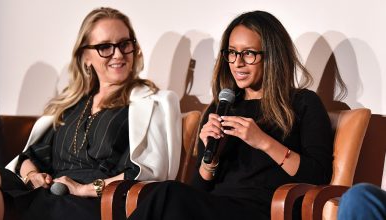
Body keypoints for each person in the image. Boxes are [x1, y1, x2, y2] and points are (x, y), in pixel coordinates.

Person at [126, 10, 333, 220]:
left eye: (249, 53)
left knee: (167, 194)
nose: (237, 63)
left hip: (266, 211)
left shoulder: (303, 103)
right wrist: (211, 158)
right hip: (216, 207)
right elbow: (198, 188)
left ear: (272, 56)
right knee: (167, 198)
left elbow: (317, 176)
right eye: (232, 52)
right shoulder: (223, 105)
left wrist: (263, 141)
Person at [0, 7, 181, 220]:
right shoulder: (72, 106)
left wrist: (83, 189)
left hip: (95, 202)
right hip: (49, 193)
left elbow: (146, 172)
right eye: (105, 47)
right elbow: (31, 156)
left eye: (124, 44)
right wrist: (33, 175)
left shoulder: (148, 103)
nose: (118, 54)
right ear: (86, 57)